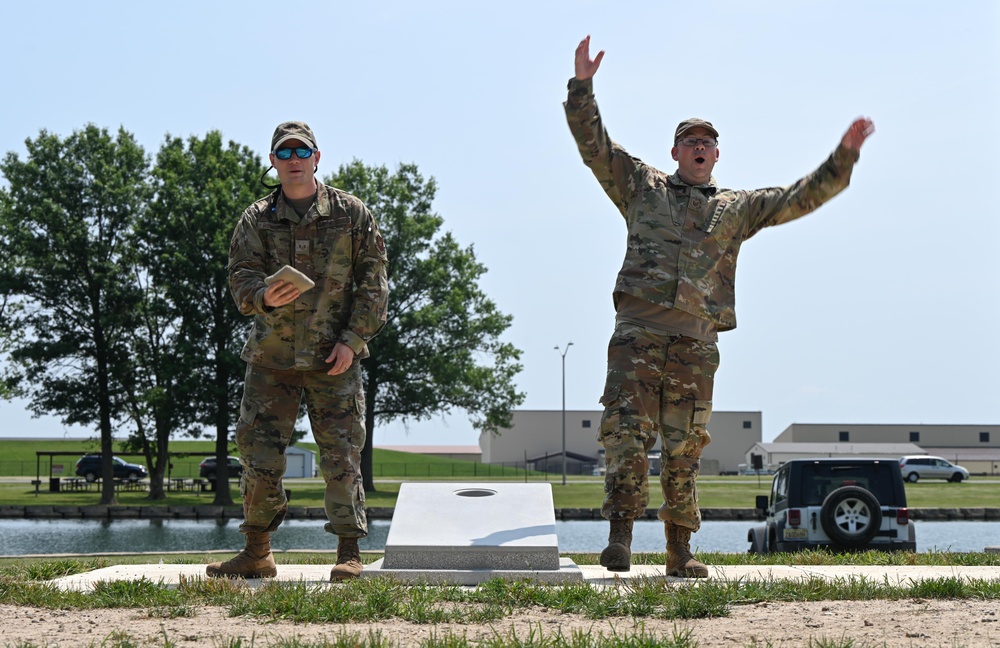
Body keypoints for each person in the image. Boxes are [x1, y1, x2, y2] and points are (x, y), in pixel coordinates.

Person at [564, 36, 874, 577]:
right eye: (691, 142)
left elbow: (794, 198)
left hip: (695, 345)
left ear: (717, 154)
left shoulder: (735, 209)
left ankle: (679, 551)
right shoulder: (641, 187)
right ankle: (618, 539)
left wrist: (842, 157)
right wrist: (583, 87)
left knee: (685, 448)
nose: (700, 149)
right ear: (676, 152)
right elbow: (595, 146)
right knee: (626, 436)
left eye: (708, 142)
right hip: (637, 335)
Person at [207, 121, 388, 581]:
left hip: (335, 359)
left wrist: (353, 340)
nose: (293, 160)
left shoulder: (351, 214)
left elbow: (374, 285)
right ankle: (257, 553)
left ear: (316, 157)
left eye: (300, 152)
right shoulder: (256, 218)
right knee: (258, 455)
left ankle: (349, 552)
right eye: (283, 153)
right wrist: (262, 296)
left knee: (342, 456)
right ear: (272, 162)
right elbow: (240, 276)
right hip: (271, 361)